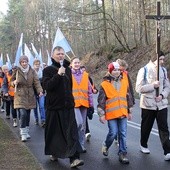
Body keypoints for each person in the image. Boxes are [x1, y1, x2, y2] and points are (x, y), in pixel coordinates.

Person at [42, 46, 84, 168]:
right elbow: (47, 86)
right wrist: (58, 75)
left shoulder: (68, 70)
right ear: (52, 56)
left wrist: (71, 100)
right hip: (54, 107)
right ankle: (53, 152)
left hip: (68, 106)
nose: (61, 56)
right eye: (58, 54)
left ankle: (74, 158)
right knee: (54, 133)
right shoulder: (48, 70)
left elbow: (69, 87)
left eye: (62, 53)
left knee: (72, 132)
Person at [135, 51, 170, 161]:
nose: (163, 62)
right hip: (148, 104)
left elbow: (167, 86)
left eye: (164, 59)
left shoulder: (164, 70)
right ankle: (143, 144)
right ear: (154, 59)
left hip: (161, 104)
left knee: (164, 128)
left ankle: (167, 151)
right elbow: (139, 88)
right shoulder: (144, 70)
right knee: (146, 127)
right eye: (160, 59)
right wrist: (152, 86)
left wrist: (162, 95)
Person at [97, 62, 133, 164]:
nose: (117, 72)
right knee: (113, 133)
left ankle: (122, 153)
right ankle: (106, 145)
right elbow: (101, 101)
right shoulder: (104, 84)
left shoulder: (124, 81)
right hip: (111, 114)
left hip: (122, 112)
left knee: (123, 133)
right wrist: (101, 114)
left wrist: (130, 110)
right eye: (114, 70)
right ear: (110, 71)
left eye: (118, 70)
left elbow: (128, 97)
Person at [10, 55, 43, 142]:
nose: (24, 63)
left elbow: (36, 82)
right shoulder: (17, 70)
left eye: (26, 62)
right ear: (20, 63)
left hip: (30, 95)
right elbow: (11, 82)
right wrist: (14, 82)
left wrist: (40, 91)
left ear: (28, 62)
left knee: (27, 114)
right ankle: (23, 132)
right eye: (22, 62)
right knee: (23, 113)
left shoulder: (32, 71)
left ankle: (27, 130)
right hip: (20, 95)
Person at [71, 58, 94, 151]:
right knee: (78, 123)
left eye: (78, 62)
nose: (77, 64)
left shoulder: (85, 75)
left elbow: (89, 91)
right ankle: (74, 142)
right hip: (74, 104)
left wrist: (91, 105)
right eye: (75, 63)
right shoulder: (69, 75)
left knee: (83, 126)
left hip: (84, 103)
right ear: (71, 64)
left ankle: (81, 144)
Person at [80, 65, 98, 142]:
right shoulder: (77, 79)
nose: (84, 72)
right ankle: (86, 132)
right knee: (83, 119)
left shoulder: (88, 78)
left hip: (88, 100)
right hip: (81, 101)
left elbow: (93, 88)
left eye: (85, 70)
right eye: (82, 70)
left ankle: (85, 131)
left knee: (88, 116)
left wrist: (95, 91)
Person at [33, 59, 46, 127]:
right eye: (36, 65)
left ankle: (43, 119)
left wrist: (43, 91)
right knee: (35, 107)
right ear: (33, 65)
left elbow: (44, 82)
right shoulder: (32, 73)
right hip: (34, 93)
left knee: (42, 106)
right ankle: (36, 118)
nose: (37, 66)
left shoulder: (43, 72)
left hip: (41, 92)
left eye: (38, 64)